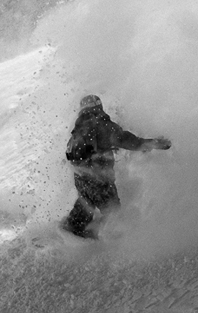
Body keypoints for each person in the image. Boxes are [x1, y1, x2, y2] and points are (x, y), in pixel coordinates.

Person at [62, 94, 170, 239]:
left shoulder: (77, 131)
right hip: (99, 181)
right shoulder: (101, 125)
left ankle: (69, 233)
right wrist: (154, 143)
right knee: (114, 214)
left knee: (85, 203)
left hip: (81, 180)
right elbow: (126, 140)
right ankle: (114, 243)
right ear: (98, 107)